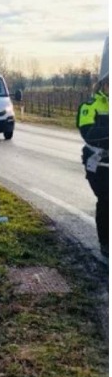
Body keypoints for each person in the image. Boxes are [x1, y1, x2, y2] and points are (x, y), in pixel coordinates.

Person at [78, 74, 108, 257]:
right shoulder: (90, 106)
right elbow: (88, 133)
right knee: (106, 200)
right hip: (98, 165)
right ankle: (106, 242)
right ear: (103, 84)